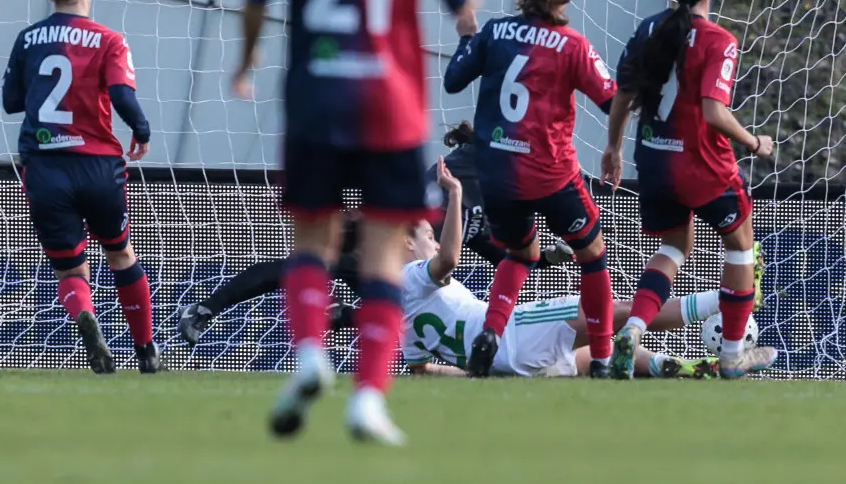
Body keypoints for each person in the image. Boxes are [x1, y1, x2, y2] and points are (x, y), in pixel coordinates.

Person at [234, 0, 476, 445]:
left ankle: (311, 352)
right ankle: (369, 397)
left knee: (310, 241)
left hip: (313, 97)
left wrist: (247, 61)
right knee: (381, 260)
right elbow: (463, 2)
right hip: (391, 107)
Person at [174, 121, 573, 347]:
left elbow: (512, 258)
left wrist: (547, 255)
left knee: (400, 308)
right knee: (304, 267)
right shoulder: (472, 166)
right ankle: (207, 307)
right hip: (381, 237)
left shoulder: (485, 212)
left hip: (401, 268)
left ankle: (338, 317)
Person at [601, 0, 778, 380]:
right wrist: (756, 143)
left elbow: (623, 92)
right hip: (701, 164)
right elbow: (714, 112)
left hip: (653, 158)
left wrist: (614, 148)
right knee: (740, 247)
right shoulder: (720, 40)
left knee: (675, 247)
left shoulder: (649, 28)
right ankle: (733, 356)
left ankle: (634, 330)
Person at [443, 0, 618, 378]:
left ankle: (489, 335)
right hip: (551, 173)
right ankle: (603, 360)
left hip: (497, 174)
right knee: (592, 256)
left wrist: (467, 36)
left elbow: (452, 81)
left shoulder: (495, 32)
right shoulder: (574, 46)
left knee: (521, 253)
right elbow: (613, 102)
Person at [404, 157, 723, 379]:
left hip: (504, 364)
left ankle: (669, 366)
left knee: (599, 356)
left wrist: (474, 371)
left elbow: (421, 371)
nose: (433, 244)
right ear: (406, 243)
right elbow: (448, 258)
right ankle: (727, 299)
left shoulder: (401, 310)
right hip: (516, 333)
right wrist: (456, 193)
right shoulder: (414, 274)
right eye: (429, 236)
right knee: (617, 313)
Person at [0, 0, 158, 374]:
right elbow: (123, 97)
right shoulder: (110, 40)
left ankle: (85, 317)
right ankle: (146, 351)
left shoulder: (27, 38)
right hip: (98, 166)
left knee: (71, 266)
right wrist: (141, 131)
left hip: (46, 166)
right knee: (121, 254)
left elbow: (10, 102)